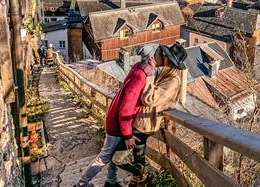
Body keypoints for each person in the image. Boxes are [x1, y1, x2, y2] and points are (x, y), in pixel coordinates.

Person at [75, 44, 160, 187]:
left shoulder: (138, 67)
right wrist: (127, 135)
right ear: (151, 58)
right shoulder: (140, 76)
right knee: (105, 156)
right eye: (157, 54)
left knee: (114, 154)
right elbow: (126, 108)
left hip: (119, 120)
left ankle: (111, 181)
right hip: (118, 123)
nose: (160, 56)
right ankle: (81, 184)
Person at [129, 43, 188, 183]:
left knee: (134, 155)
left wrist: (149, 75)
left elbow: (149, 99)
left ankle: (138, 180)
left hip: (146, 123)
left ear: (168, 59)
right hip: (143, 120)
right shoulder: (167, 74)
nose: (160, 56)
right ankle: (139, 179)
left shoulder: (173, 81)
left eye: (163, 55)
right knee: (138, 154)